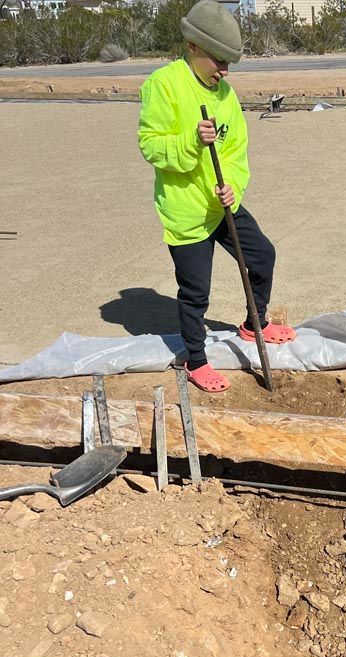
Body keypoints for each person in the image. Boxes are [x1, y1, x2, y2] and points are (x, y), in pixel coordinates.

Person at [138, 0, 295, 393]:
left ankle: (253, 323)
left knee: (262, 256)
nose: (225, 70)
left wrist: (234, 188)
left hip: (222, 204)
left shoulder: (226, 95)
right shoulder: (164, 84)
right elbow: (150, 145)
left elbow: (236, 152)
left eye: (230, 63)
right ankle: (196, 359)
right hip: (186, 211)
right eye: (219, 60)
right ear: (193, 46)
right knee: (196, 292)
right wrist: (191, 142)